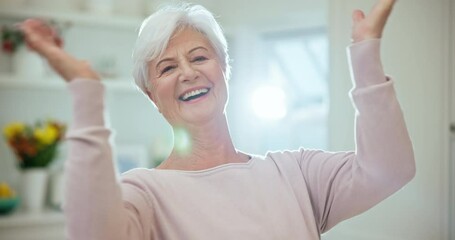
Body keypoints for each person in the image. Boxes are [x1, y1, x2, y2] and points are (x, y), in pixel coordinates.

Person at [19, 0, 415, 239]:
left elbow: (389, 170)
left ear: (225, 69)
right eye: (167, 67)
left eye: (199, 57)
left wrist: (366, 55)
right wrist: (88, 92)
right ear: (151, 95)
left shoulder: (295, 172)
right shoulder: (143, 193)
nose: (188, 73)